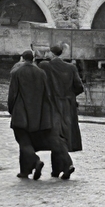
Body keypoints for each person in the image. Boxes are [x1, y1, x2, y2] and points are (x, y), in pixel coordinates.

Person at [7, 49, 55, 179]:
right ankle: (25, 171)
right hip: (37, 113)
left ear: (22, 58)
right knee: (29, 141)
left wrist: (11, 109)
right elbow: (47, 94)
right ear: (33, 59)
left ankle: (35, 161)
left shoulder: (17, 72)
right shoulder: (41, 73)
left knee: (23, 141)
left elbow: (12, 94)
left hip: (21, 112)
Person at [39, 44, 84, 180]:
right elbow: (79, 87)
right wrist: (70, 96)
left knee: (56, 137)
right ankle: (56, 170)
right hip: (68, 106)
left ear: (51, 54)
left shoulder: (45, 66)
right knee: (62, 136)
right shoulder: (71, 67)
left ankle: (66, 165)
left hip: (52, 105)